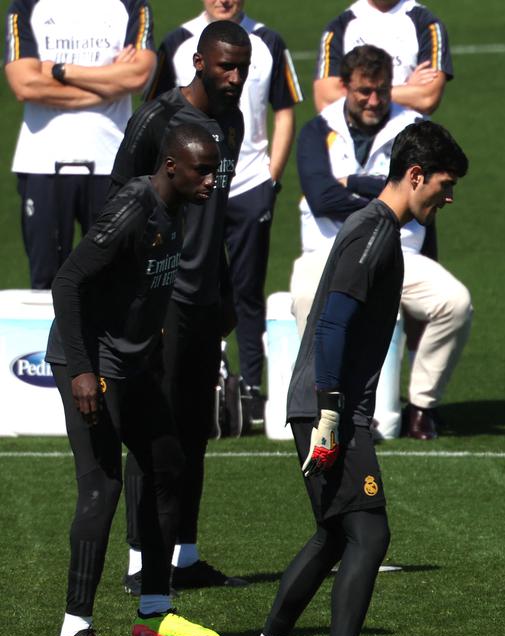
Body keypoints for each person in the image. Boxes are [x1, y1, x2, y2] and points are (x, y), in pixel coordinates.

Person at [232, 121, 467, 636]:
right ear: (415, 176)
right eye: (444, 183)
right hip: (329, 408)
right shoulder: (376, 234)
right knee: (370, 532)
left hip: (323, 404)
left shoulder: (373, 227)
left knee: (336, 534)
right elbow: (334, 323)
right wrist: (334, 413)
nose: (449, 196)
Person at [46, 123, 223, 636]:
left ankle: (153, 610)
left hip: (132, 362)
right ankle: (73, 630)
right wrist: (81, 370)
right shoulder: (130, 210)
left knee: (164, 465)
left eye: (215, 169)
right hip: (92, 363)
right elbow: (68, 282)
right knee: (101, 486)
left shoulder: (178, 206)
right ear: (171, 166)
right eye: (203, 170)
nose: (212, 180)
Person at [111, 19, 251, 594]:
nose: (235, 77)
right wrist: (141, 296)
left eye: (242, 67)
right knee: (153, 434)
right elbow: (120, 196)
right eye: (225, 65)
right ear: (198, 61)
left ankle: (184, 555)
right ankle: (141, 561)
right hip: (160, 301)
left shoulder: (234, 121)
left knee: (195, 427)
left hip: (204, 301)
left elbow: (213, 219)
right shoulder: (158, 117)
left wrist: (222, 295)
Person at [291, 45, 472, 441]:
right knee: (307, 299)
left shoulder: (411, 127)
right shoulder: (315, 130)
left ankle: (421, 407)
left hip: (399, 252)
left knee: (455, 303)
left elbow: (416, 188)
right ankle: (329, 403)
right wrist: (385, 190)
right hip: (326, 253)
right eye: (364, 91)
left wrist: (352, 183)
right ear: (345, 87)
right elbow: (321, 198)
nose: (374, 100)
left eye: (382, 90)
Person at [145, 0, 303, 414]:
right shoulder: (177, 41)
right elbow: (155, 110)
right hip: (190, 188)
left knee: (246, 289)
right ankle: (178, 379)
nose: (223, 0)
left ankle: (250, 387)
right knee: (183, 284)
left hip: (249, 181)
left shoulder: (268, 40)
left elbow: (285, 109)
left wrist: (271, 177)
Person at [4, 0, 155, 288]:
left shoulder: (131, 4)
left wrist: (60, 71)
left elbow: (139, 75)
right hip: (42, 163)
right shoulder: (25, 5)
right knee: (45, 284)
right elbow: (24, 84)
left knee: (111, 284)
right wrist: (108, 86)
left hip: (112, 163)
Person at [313, 0, 451, 114]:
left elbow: (427, 98)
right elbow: (326, 101)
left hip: (407, 139)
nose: (373, 100)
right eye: (365, 91)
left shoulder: (427, 25)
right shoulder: (339, 27)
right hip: (353, 143)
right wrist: (407, 89)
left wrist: (358, 93)